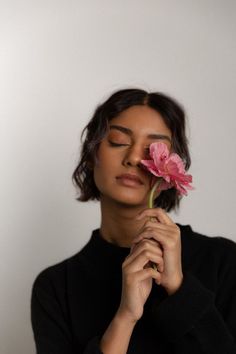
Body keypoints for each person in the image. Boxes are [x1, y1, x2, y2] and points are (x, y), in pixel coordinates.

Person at [31, 88, 236, 354]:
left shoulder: (222, 261)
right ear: (92, 154)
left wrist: (179, 288)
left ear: (172, 173)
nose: (135, 159)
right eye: (118, 141)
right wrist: (125, 317)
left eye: (154, 150)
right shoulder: (56, 287)